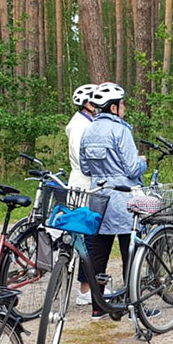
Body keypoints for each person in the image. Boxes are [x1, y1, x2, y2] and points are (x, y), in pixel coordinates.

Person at [79, 82, 147, 319]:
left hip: (97, 196)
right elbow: (131, 168)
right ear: (115, 106)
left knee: (98, 253)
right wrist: (143, 162)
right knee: (131, 251)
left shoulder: (88, 130)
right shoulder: (121, 130)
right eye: (123, 103)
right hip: (123, 197)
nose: (124, 107)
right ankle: (134, 305)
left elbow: (85, 167)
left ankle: (98, 306)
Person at [67, 84, 100, 305]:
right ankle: (85, 289)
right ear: (87, 103)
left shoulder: (85, 122)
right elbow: (83, 157)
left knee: (88, 237)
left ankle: (87, 286)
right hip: (84, 184)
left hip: (85, 183)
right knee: (88, 238)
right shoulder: (80, 125)